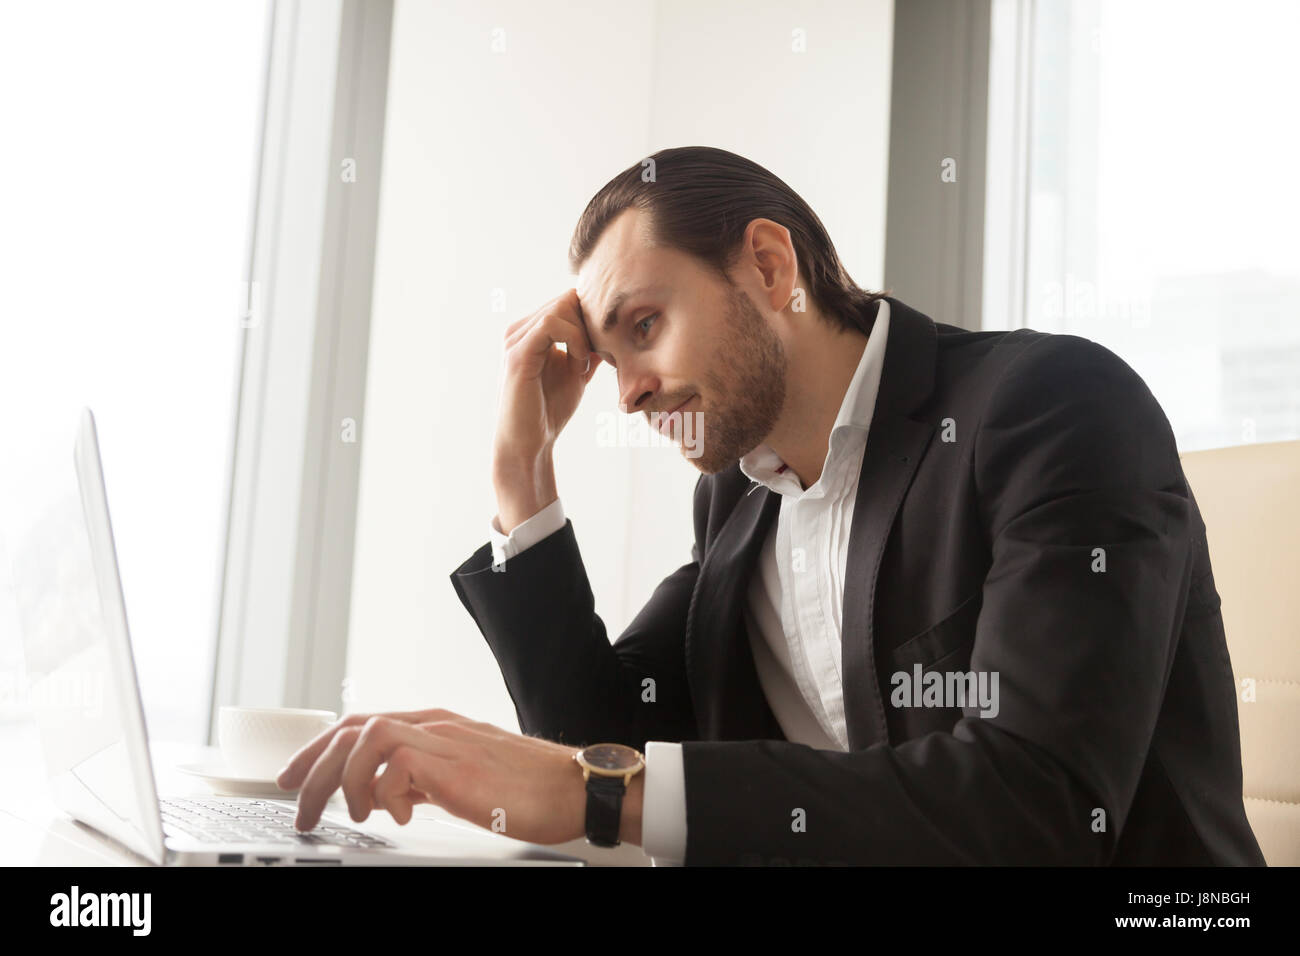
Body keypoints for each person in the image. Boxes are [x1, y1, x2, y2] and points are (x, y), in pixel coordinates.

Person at [277, 146, 1265, 866]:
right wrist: (519, 471)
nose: (627, 394)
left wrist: (593, 787)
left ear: (767, 265)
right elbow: (597, 737)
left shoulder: (1051, 406)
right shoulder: (739, 504)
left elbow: (1040, 805)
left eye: (645, 326)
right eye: (610, 361)